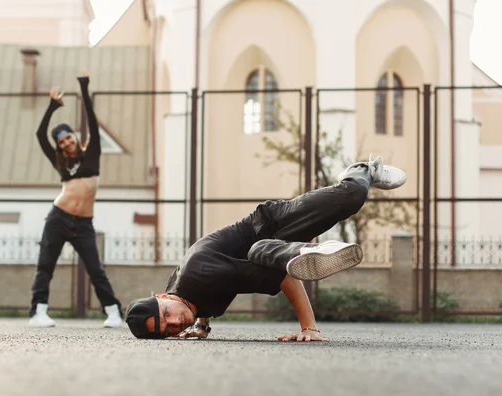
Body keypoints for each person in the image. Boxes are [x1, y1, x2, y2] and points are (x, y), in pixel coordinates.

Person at [125, 155, 406, 340]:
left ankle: (362, 169)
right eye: (169, 330)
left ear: (162, 297)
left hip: (271, 224)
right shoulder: (182, 296)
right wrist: (201, 325)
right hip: (268, 245)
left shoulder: (199, 276)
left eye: (166, 315)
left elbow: (284, 277)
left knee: (352, 196)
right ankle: (297, 251)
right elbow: (199, 299)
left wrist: (308, 327)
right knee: (260, 252)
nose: (176, 324)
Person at [28, 70, 122, 328]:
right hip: (58, 218)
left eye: (68, 137)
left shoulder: (91, 153)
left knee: (95, 269)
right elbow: (39, 135)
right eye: (61, 141)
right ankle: (39, 312)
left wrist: (83, 87)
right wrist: (51, 107)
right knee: (46, 265)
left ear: (75, 136)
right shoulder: (60, 161)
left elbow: (92, 121)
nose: (66, 143)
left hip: (83, 224)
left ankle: (113, 312)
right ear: (58, 146)